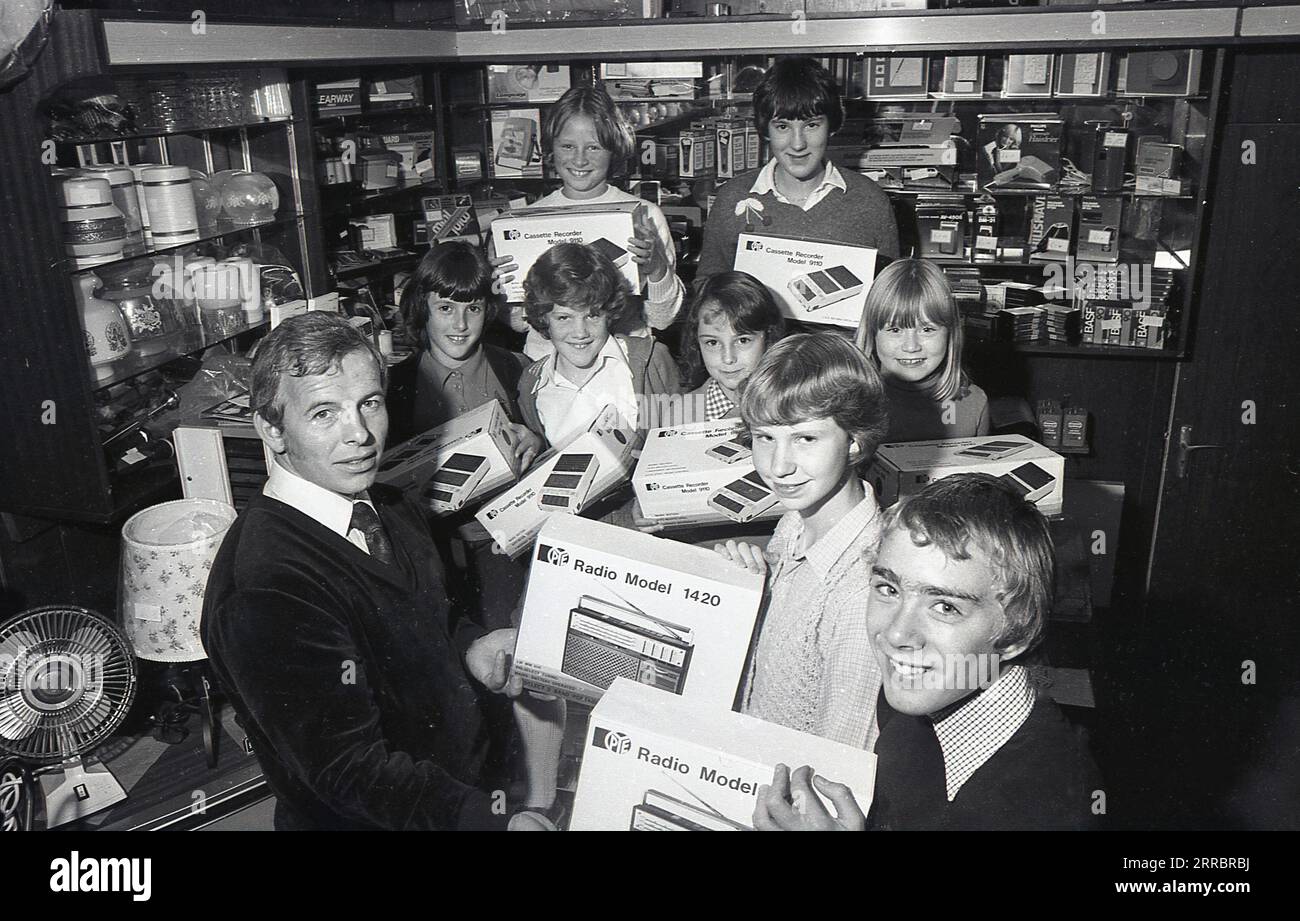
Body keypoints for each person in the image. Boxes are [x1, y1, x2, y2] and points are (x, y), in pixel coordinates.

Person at [200, 312, 551, 831]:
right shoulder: (268, 585)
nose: (360, 435)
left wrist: (472, 645)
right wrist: (487, 822)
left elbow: (424, 615)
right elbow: (348, 770)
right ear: (271, 430)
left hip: (453, 791)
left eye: (369, 403)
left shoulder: (384, 504)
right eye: (324, 413)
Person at [752, 473, 1102, 831]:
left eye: (946, 607)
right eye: (888, 589)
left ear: (1016, 634)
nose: (896, 633)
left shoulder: (1046, 807)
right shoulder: (913, 695)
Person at [714, 333, 890, 749]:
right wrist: (748, 591)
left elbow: (840, 763)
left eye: (805, 438)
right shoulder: (796, 519)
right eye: (764, 437)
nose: (778, 467)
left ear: (855, 440)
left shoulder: (861, 595)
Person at [492, 85, 685, 360]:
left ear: (613, 149)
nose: (580, 159)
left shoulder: (645, 215)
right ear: (551, 148)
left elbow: (663, 318)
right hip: (549, 366)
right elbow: (519, 323)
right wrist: (501, 292)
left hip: (626, 362)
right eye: (568, 146)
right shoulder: (524, 222)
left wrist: (656, 268)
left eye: (593, 147)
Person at [695, 56, 900, 287]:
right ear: (765, 130)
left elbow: (890, 300)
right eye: (783, 127)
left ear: (831, 126)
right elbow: (707, 288)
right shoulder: (732, 198)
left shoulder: (870, 200)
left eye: (811, 125)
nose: (798, 144)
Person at [516, 241, 681, 449]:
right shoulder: (531, 383)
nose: (580, 333)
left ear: (609, 312)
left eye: (592, 316)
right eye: (564, 318)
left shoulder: (649, 360)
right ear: (543, 318)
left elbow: (682, 439)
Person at [855, 258, 990, 443]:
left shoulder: (974, 402)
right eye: (895, 330)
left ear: (951, 334)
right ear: (872, 334)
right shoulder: (851, 402)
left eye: (927, 330)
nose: (911, 347)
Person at [675, 270, 786, 424]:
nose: (728, 358)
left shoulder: (795, 401)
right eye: (712, 343)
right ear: (697, 343)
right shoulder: (682, 414)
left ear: (768, 336)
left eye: (743, 340)